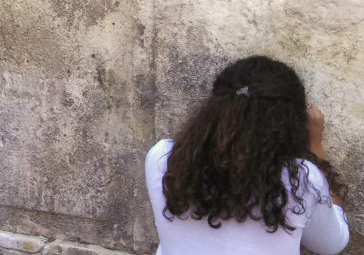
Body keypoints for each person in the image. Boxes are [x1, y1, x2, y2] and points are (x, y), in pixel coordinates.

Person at [145, 56, 349, 255]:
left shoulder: (163, 157)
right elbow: (332, 244)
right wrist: (316, 149)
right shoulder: (301, 178)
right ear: (291, 122)